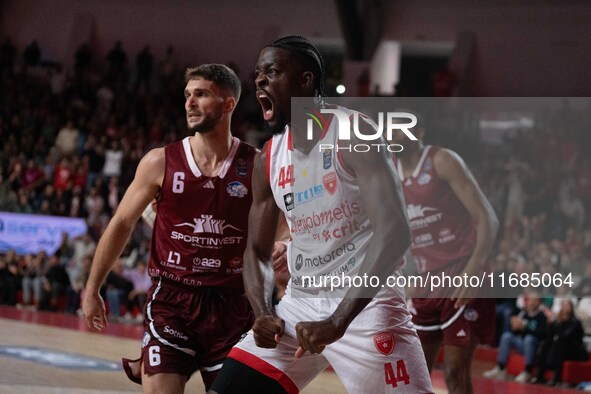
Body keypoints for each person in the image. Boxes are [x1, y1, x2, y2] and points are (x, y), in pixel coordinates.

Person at [210, 36, 433, 393]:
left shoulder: (355, 134)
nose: (261, 81)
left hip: (366, 305)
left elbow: (395, 232)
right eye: (258, 74)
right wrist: (263, 312)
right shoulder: (269, 158)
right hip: (301, 302)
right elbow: (255, 251)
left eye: (273, 71)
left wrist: (338, 321)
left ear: (306, 80)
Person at [83, 64, 286, 392]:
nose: (190, 102)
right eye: (188, 95)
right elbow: (121, 223)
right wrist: (93, 287)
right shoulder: (159, 161)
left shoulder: (258, 163)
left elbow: (284, 229)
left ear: (228, 104)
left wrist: (284, 248)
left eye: (202, 94)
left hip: (234, 304)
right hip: (172, 301)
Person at [393, 115, 499, 393]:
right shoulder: (389, 172)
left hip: (462, 270)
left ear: (419, 132)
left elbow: (488, 218)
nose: (394, 134)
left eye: (401, 128)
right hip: (426, 281)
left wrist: (473, 270)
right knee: (415, 373)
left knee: (453, 371)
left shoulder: (441, 160)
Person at [483, 291, 547, 382]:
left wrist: (525, 328)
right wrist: (515, 326)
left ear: (538, 302)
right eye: (529, 300)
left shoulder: (542, 316)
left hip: (533, 345)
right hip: (521, 343)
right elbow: (516, 330)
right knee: (507, 336)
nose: (531, 302)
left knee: (529, 339)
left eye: (534, 300)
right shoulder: (523, 313)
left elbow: (543, 334)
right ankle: (501, 367)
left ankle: (527, 371)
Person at [533, 299, 588, 386]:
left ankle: (556, 379)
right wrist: (550, 324)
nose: (565, 308)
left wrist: (558, 323)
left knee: (560, 345)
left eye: (567, 306)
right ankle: (539, 375)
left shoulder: (575, 322)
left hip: (576, 350)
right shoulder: (559, 320)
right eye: (563, 305)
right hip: (562, 348)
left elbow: (565, 336)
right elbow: (550, 335)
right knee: (546, 344)